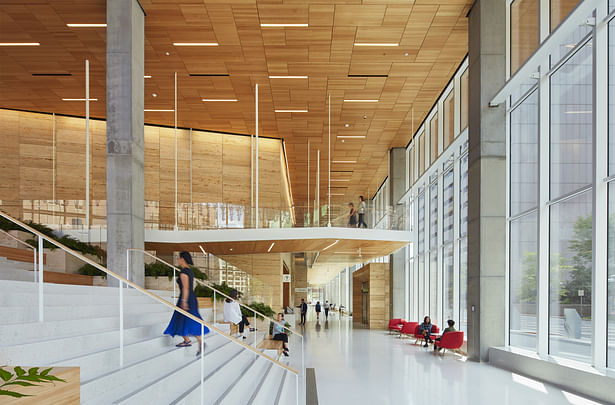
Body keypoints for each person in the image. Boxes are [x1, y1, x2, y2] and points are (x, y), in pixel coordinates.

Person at [164, 251, 208, 356]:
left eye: (178, 258)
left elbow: (186, 288)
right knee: (182, 319)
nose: (177, 260)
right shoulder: (190, 271)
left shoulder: (183, 272)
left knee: (187, 320)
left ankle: (200, 342)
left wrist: (184, 301)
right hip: (190, 298)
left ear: (182, 259)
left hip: (186, 299)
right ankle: (187, 340)